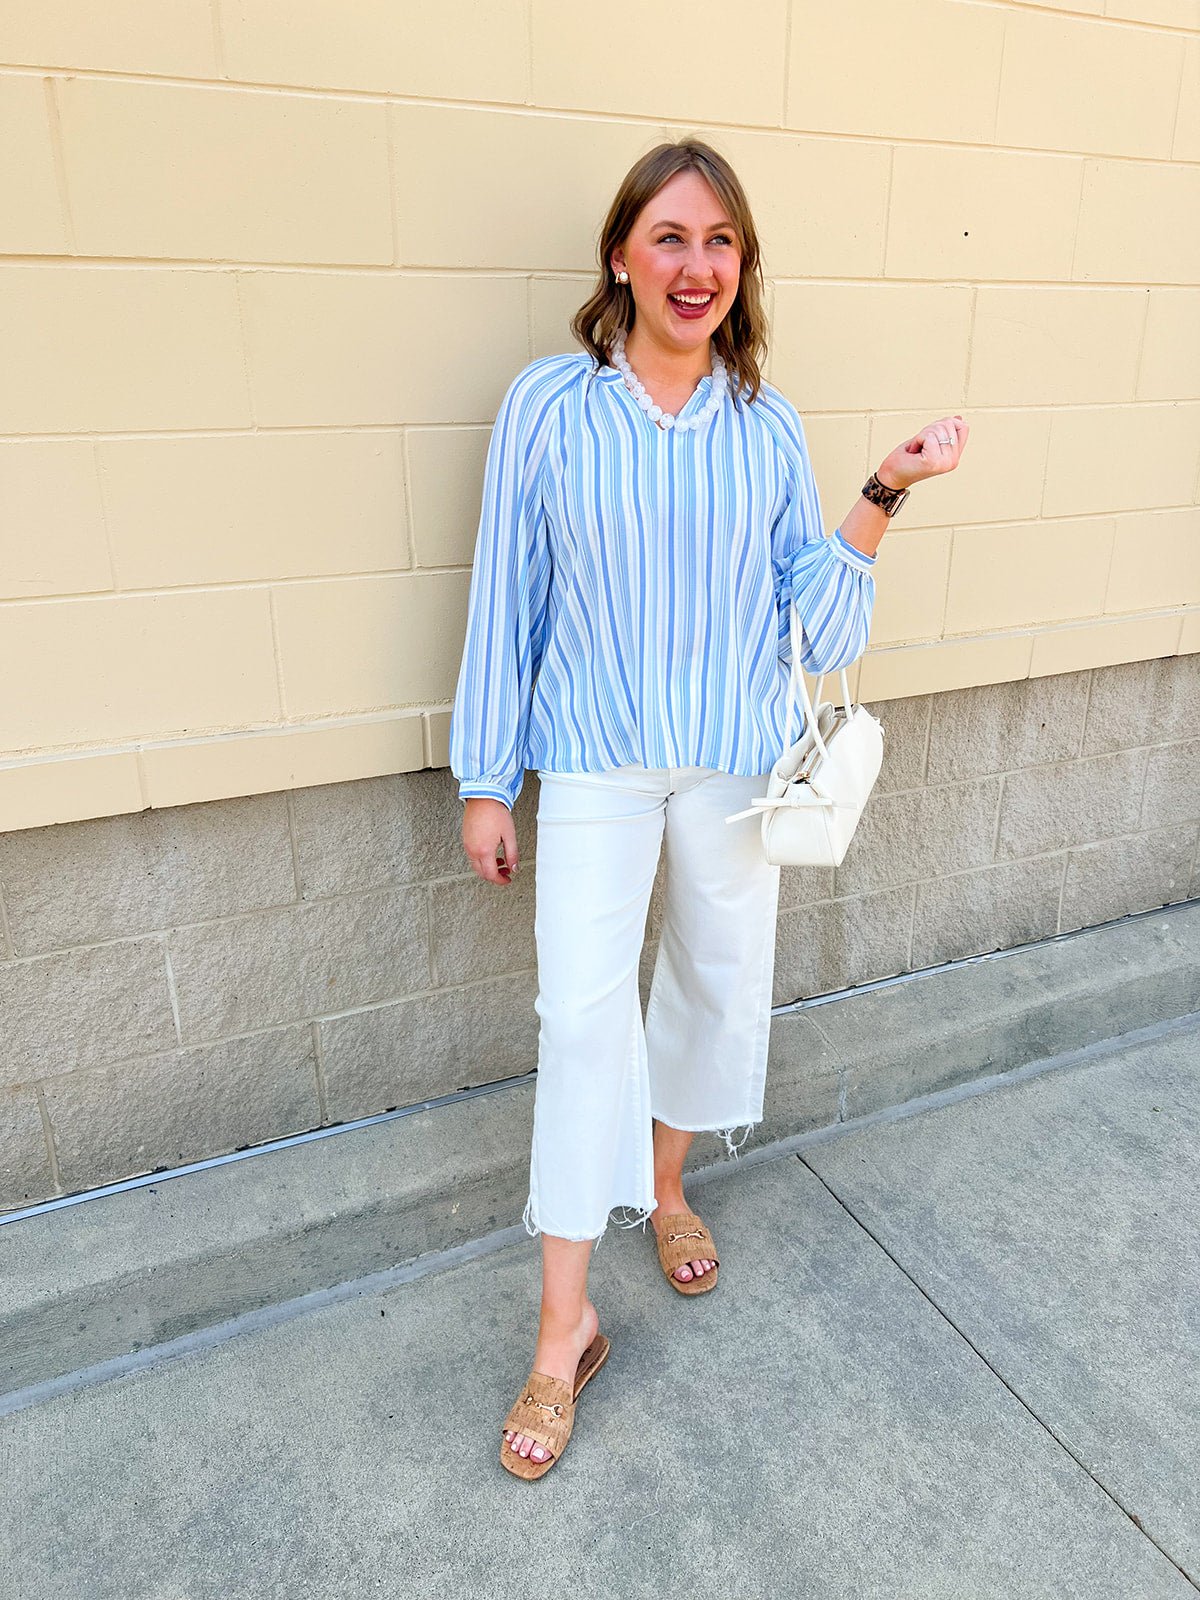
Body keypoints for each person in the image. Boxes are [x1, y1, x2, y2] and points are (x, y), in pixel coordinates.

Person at [448, 137, 968, 1480]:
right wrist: (486, 777)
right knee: (579, 1014)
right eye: (670, 238)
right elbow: (506, 594)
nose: (697, 267)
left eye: (721, 243)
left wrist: (883, 491)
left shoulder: (766, 423)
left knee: (716, 980)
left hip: (735, 762)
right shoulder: (549, 408)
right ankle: (565, 1329)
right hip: (600, 762)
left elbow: (817, 613)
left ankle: (668, 1185)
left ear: (744, 269)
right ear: (621, 254)